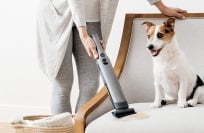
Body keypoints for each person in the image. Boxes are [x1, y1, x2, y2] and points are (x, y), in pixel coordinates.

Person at [37, 0, 187, 114]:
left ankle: (78, 129)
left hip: (93, 17)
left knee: (90, 84)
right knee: (63, 85)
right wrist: (83, 35)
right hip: (58, 15)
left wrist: (162, 7)